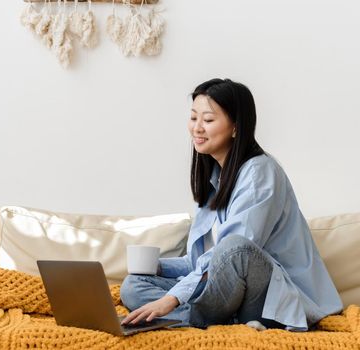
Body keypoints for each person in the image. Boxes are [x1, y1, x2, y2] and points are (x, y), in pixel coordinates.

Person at [120, 78, 343, 331]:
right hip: (228, 294)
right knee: (133, 285)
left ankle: (196, 318)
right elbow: (202, 262)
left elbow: (231, 256)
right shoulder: (217, 178)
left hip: (268, 297)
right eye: (194, 118)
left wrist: (171, 299)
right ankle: (212, 320)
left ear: (236, 127)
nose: (197, 128)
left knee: (235, 247)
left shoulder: (260, 172)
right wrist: (156, 268)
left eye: (208, 120)